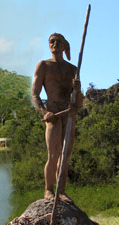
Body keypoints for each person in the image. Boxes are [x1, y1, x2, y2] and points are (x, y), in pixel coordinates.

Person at [31, 33, 84, 203]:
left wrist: (78, 89)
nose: (54, 44)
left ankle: (61, 191)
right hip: (53, 114)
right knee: (53, 154)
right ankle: (48, 190)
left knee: (65, 155)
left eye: (58, 42)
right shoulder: (43, 65)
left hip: (68, 115)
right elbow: (35, 94)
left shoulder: (72, 69)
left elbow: (78, 103)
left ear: (64, 46)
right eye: (51, 41)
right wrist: (44, 112)